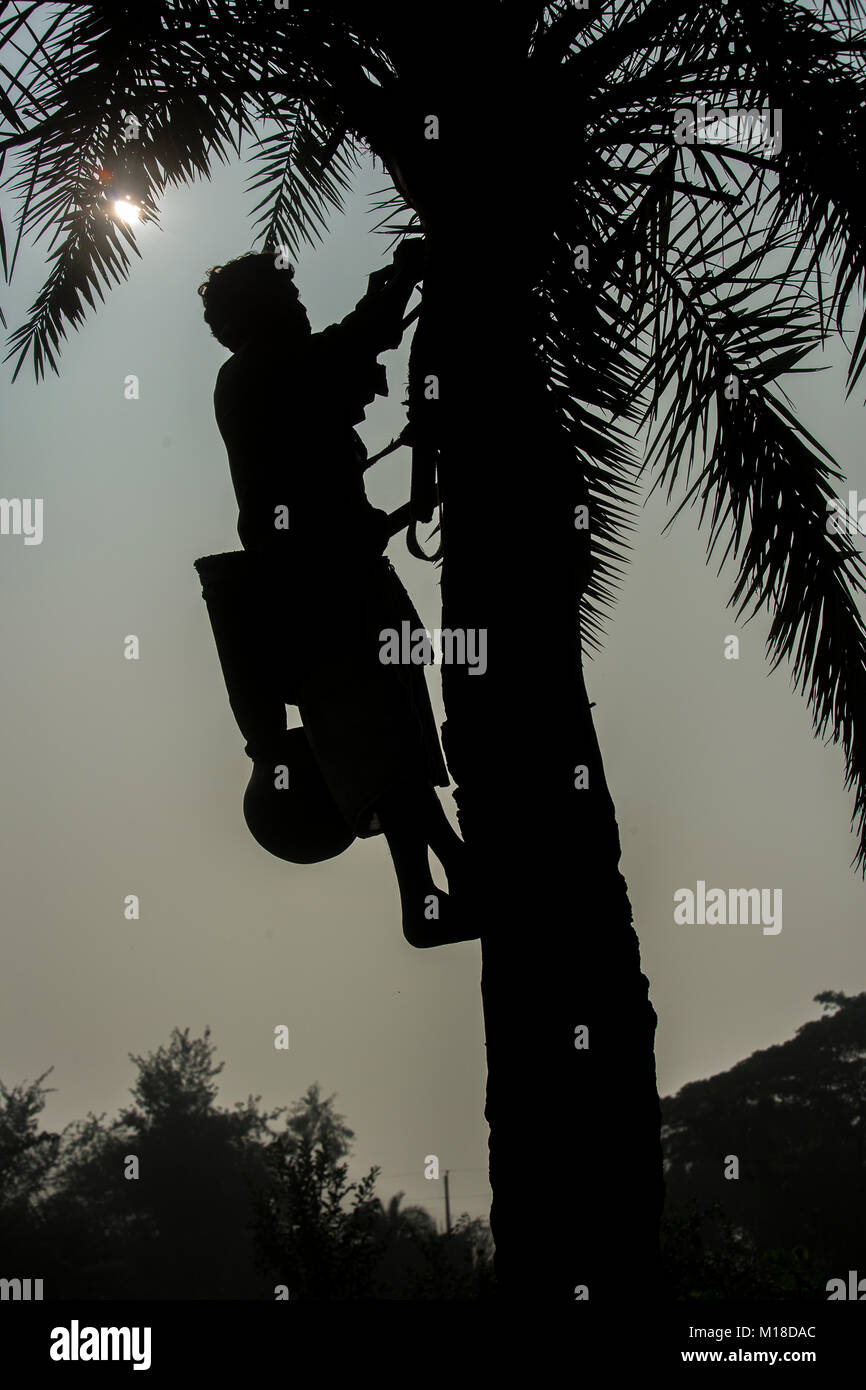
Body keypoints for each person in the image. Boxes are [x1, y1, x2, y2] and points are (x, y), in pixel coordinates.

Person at [197, 246, 473, 948]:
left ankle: (442, 888)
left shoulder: (262, 375)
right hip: (321, 597)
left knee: (399, 744)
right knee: (387, 742)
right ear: (259, 314)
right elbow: (349, 351)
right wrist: (399, 279)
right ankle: (440, 888)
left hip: (336, 583)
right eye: (284, 300)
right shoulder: (260, 373)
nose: (298, 306)